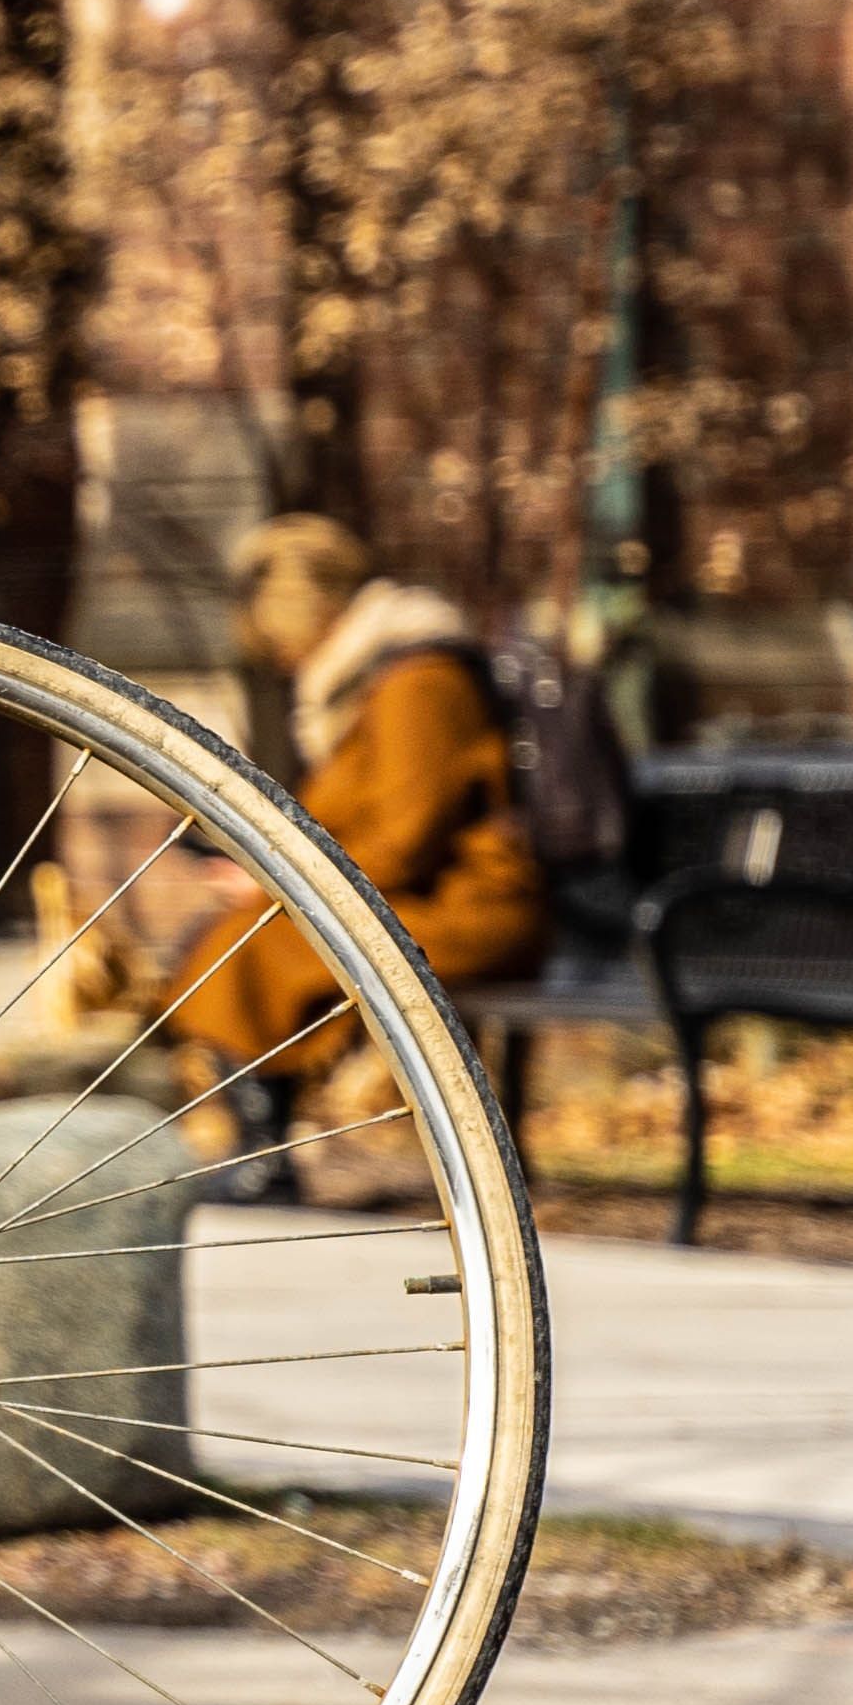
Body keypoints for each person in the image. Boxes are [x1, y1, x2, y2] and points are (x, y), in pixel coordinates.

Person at [155, 514, 547, 1199]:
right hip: (418, 898)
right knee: (240, 942)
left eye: (277, 640)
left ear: (311, 615)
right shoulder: (373, 683)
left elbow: (408, 833)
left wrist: (283, 887)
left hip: (475, 909)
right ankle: (259, 1146)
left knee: (256, 950)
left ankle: (263, 1157)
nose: (281, 660)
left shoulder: (418, 682)